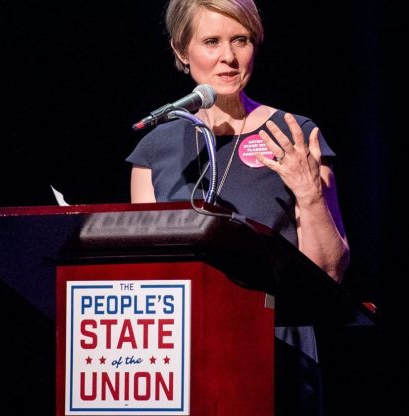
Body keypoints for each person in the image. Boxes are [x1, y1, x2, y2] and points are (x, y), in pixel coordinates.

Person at [126, 0, 349, 413]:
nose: (228, 57)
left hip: (274, 351)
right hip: (181, 356)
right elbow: (145, 277)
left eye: (240, 40)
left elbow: (329, 273)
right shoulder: (154, 149)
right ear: (181, 52)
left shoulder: (293, 135)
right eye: (211, 41)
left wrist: (309, 194)